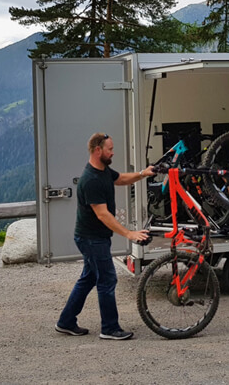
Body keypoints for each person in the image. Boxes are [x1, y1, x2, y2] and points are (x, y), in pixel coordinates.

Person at [55, 133, 153, 340]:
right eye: (110, 149)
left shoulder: (104, 171)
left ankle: (66, 322)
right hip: (91, 239)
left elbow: (120, 179)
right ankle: (109, 328)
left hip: (93, 237)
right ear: (98, 150)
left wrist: (143, 174)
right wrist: (129, 233)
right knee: (107, 279)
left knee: (89, 278)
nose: (113, 152)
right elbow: (103, 214)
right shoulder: (90, 180)